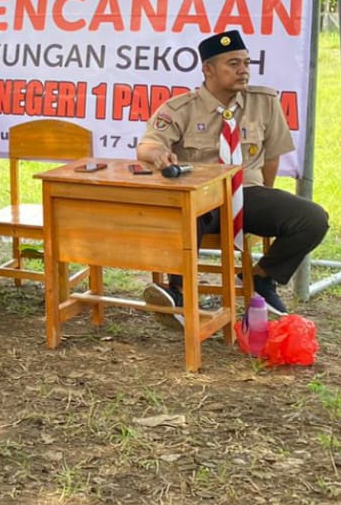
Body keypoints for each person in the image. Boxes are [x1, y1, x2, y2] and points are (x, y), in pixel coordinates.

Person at [136, 29, 329, 315]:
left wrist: (265, 196)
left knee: (312, 219)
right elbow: (147, 146)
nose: (243, 71)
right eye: (233, 64)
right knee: (187, 212)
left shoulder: (264, 102)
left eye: (246, 63)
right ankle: (178, 290)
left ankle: (261, 278)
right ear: (208, 69)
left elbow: (271, 157)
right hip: (201, 198)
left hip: (247, 193)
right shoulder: (180, 108)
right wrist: (158, 155)